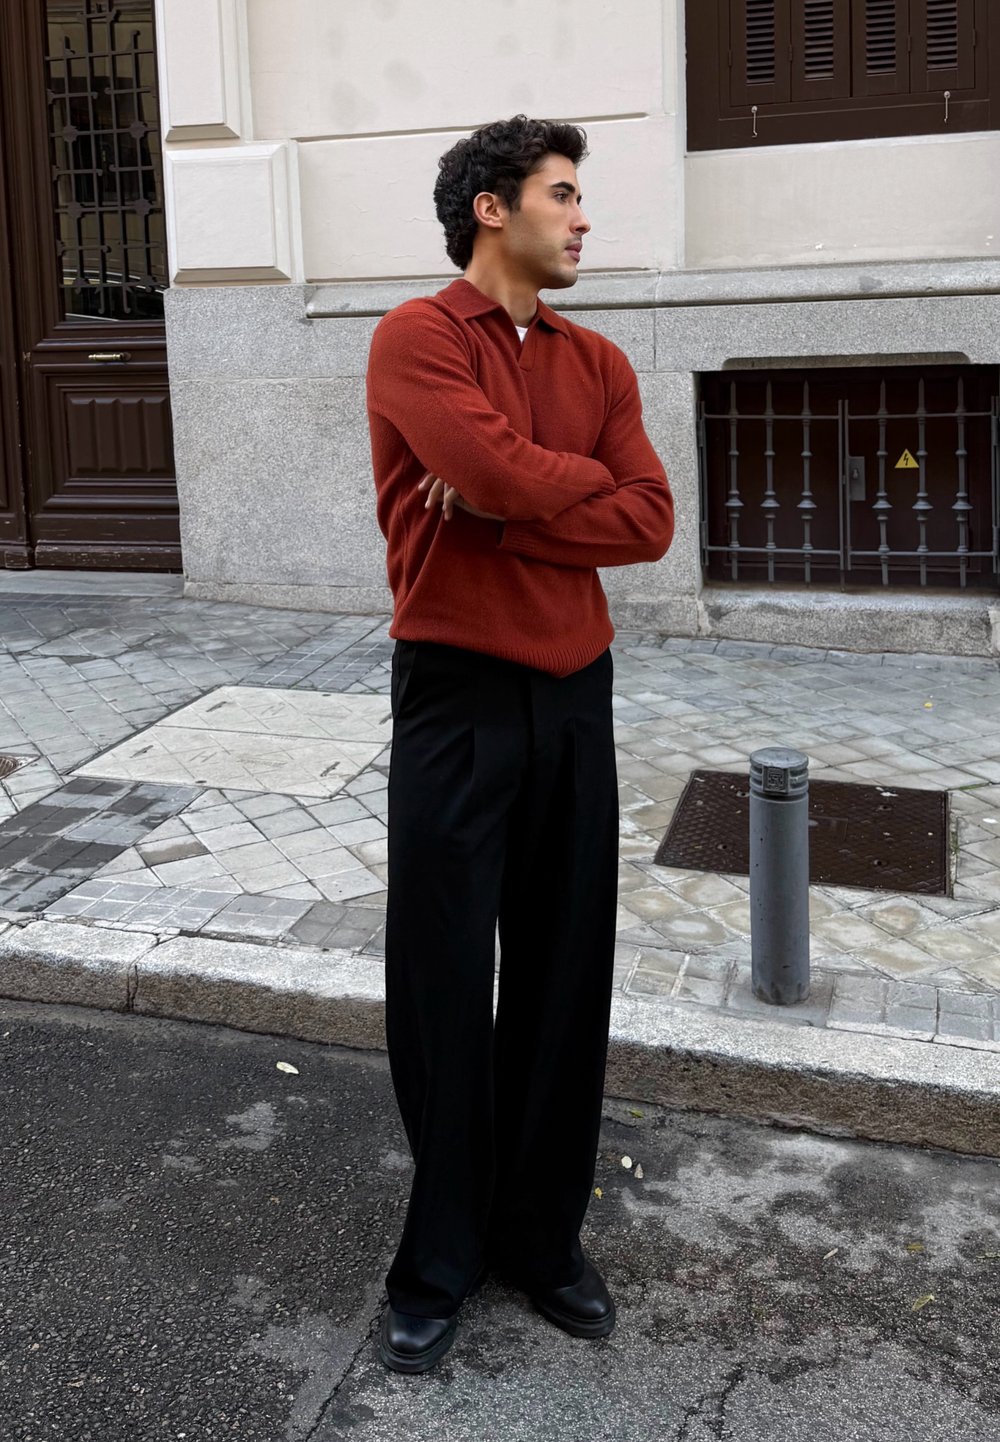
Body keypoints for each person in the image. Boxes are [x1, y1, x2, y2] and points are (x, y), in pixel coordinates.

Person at [365, 114, 674, 1374]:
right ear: (492, 207)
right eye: (563, 194)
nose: (583, 216)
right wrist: (534, 487)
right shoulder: (416, 337)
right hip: (456, 693)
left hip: (575, 691)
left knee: (562, 971)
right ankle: (438, 1256)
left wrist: (500, 508)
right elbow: (486, 464)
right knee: (441, 982)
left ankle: (542, 1240)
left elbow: (649, 518)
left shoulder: (599, 361)